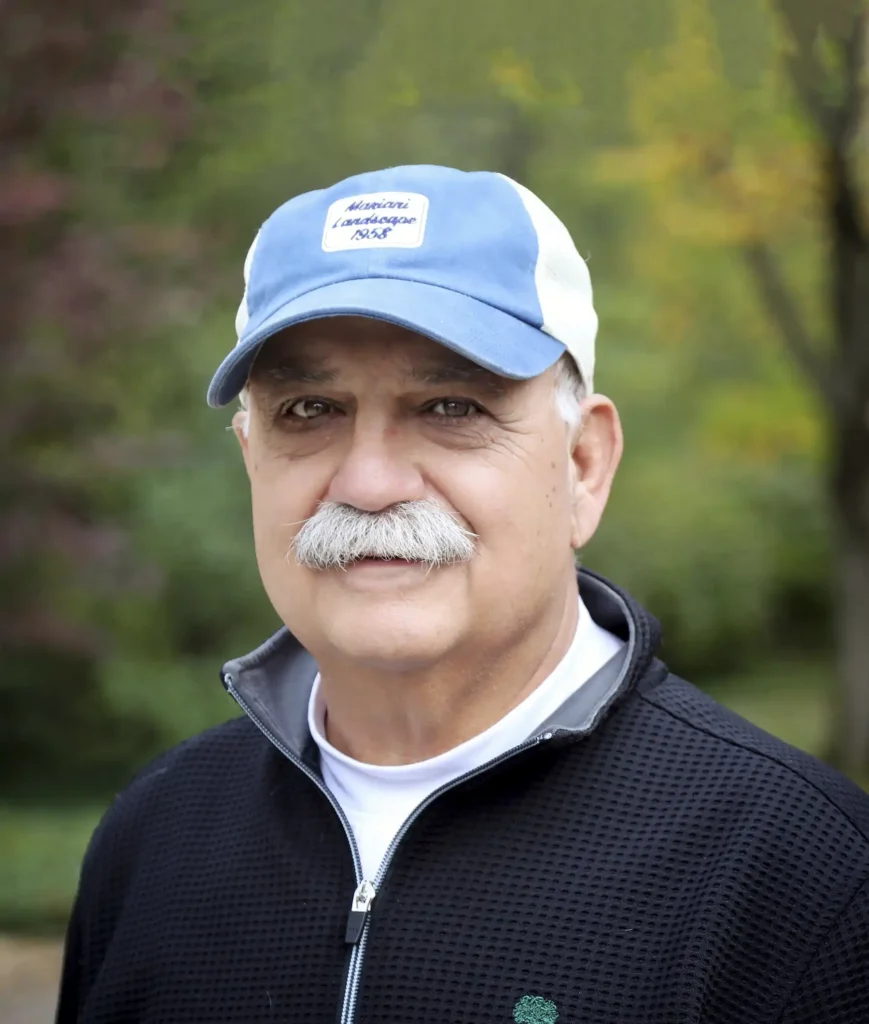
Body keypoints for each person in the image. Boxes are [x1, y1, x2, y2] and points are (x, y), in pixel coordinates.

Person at [56, 165, 869, 1024]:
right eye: (307, 410)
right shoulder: (154, 843)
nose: (368, 482)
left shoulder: (803, 876)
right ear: (248, 454)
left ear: (582, 464)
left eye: (449, 405)